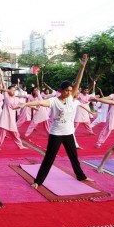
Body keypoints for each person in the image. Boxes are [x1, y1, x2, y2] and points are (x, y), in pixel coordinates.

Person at [20, 54, 93, 188]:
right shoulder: (54, 101)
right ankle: (38, 181)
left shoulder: (71, 98)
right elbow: (40, 102)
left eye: (70, 91)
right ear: (60, 90)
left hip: (69, 133)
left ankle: (81, 176)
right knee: (49, 158)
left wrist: (82, 67)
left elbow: (78, 81)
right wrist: (25, 105)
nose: (69, 93)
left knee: (74, 157)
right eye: (66, 91)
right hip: (56, 134)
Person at [0, 69, 27, 151]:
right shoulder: (6, 96)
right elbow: (3, 85)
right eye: (11, 90)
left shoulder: (17, 99)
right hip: (5, 117)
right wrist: (1, 76)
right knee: (1, 133)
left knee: (15, 133)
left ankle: (20, 145)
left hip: (12, 119)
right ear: (8, 91)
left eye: (14, 90)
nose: (13, 91)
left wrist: (19, 107)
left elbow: (20, 105)